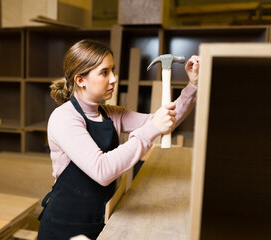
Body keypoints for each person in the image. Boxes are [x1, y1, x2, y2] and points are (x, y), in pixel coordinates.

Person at [37, 39, 199, 240]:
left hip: (96, 221)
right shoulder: (65, 118)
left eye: (113, 70)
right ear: (80, 79)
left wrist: (192, 86)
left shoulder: (112, 114)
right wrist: (151, 130)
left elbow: (164, 121)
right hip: (63, 227)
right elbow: (102, 170)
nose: (113, 78)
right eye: (104, 72)